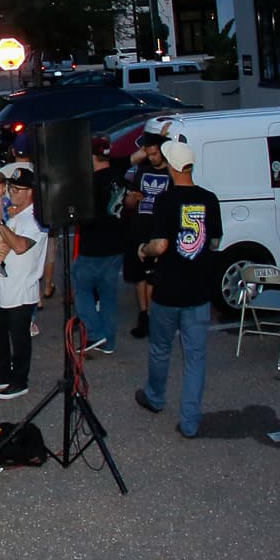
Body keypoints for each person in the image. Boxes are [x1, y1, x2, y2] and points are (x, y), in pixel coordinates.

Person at [135, 138, 221, 439]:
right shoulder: (210, 199)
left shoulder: (166, 200)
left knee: (161, 348)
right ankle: (190, 421)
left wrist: (143, 250)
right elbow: (214, 242)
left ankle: (155, 397)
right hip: (198, 290)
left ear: (171, 166)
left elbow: (160, 244)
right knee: (195, 357)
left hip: (169, 289)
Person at [0, 166, 46, 400]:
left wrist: (0, 224)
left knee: (19, 338)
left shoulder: (36, 219)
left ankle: (20, 380)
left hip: (21, 290)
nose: (12, 193)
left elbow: (20, 246)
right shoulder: (12, 212)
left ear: (31, 192)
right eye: (11, 188)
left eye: (18, 190)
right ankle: (2, 374)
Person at [74, 136, 132, 354]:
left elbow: (82, 214)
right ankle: (109, 341)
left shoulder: (90, 182)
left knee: (81, 288)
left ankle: (95, 333)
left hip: (94, 244)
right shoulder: (118, 177)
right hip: (116, 243)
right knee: (108, 295)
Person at [123, 133, 172, 339]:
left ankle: (152, 316)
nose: (151, 158)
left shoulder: (171, 175)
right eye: (149, 154)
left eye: (154, 154)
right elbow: (128, 204)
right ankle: (143, 315)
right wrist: (133, 199)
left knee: (155, 276)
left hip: (158, 230)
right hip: (139, 229)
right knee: (139, 276)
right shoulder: (142, 173)